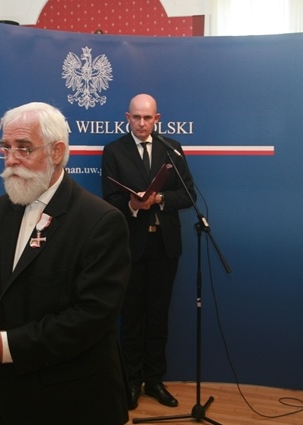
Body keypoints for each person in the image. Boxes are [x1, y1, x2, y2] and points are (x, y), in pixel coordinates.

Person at [0, 102, 132, 425]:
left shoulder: (100, 221)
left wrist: (6, 346)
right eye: (5, 148)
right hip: (6, 398)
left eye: (24, 148)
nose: (11, 159)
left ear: (57, 152)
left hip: (72, 402)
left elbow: (91, 316)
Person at [101, 93, 196, 409]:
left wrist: (159, 199)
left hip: (165, 246)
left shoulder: (172, 148)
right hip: (131, 246)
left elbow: (189, 195)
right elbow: (109, 200)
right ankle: (131, 381)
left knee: (158, 316)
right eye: (136, 117)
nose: (142, 123)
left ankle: (154, 380)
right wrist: (132, 204)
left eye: (147, 118)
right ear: (127, 117)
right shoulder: (114, 150)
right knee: (131, 317)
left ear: (157, 119)